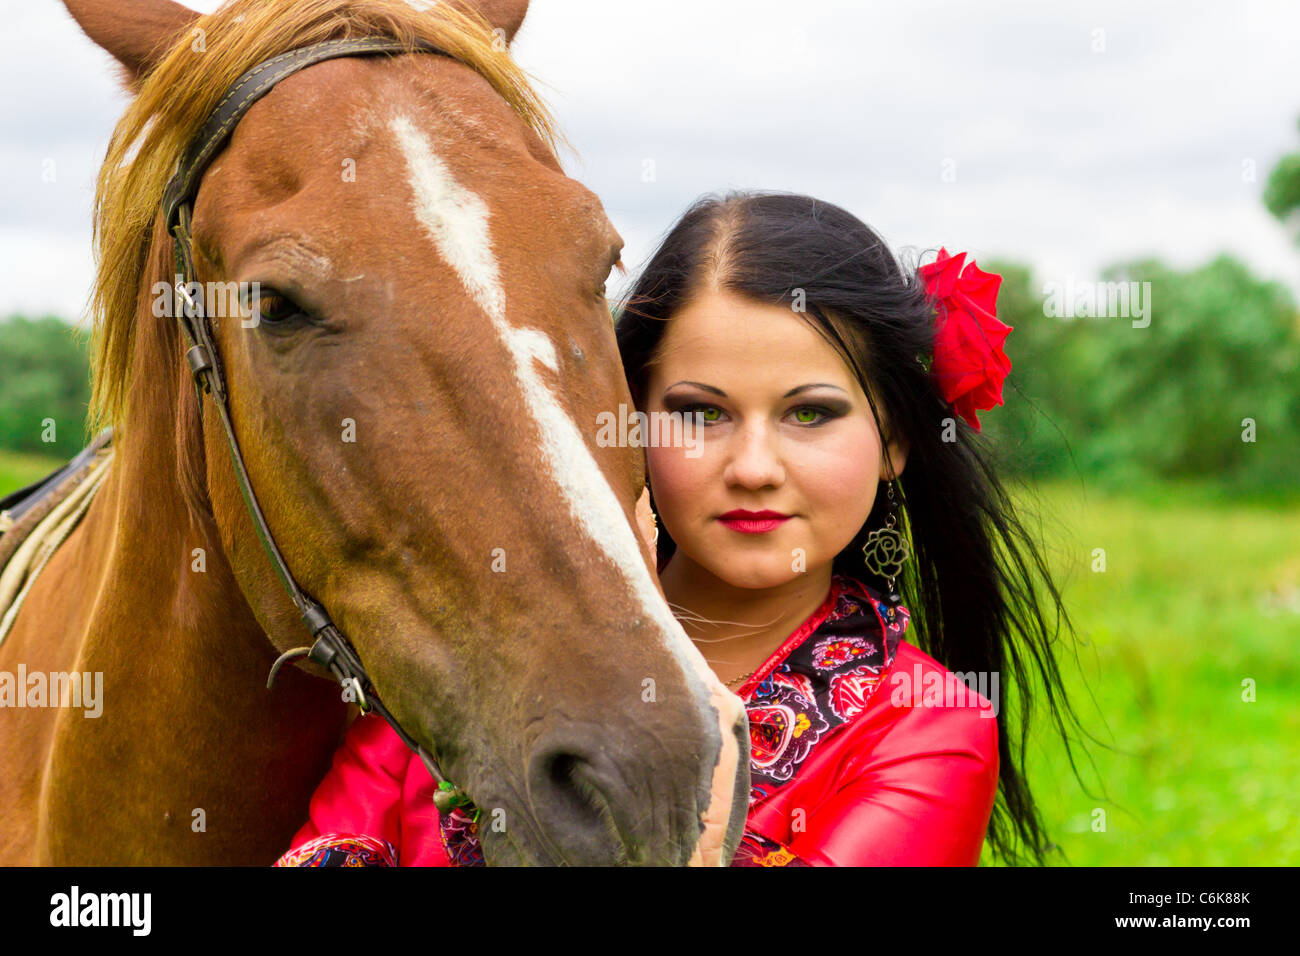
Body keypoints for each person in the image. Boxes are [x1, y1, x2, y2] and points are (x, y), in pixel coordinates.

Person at [275, 191, 1087, 867]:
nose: (754, 467)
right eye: (700, 413)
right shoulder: (465, 660)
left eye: (811, 413)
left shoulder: (929, 731)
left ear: (896, 443)